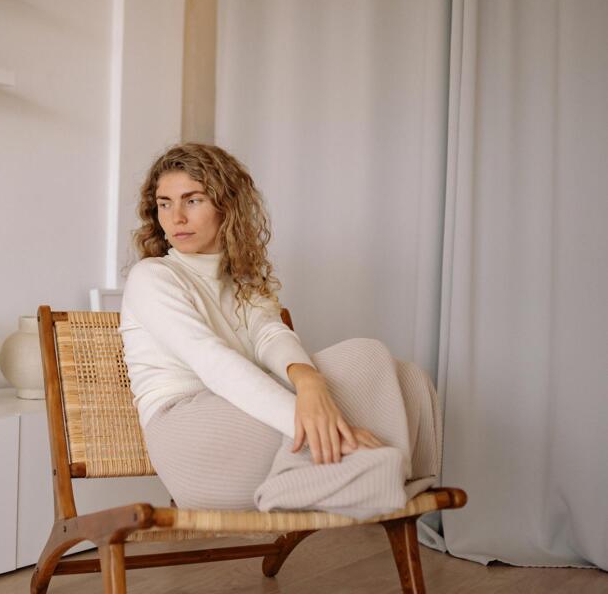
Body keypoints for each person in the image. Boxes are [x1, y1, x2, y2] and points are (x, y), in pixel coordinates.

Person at [119, 143, 441, 518]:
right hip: (191, 439)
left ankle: (379, 475)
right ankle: (338, 474)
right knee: (362, 356)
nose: (176, 217)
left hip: (241, 419)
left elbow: (272, 336)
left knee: (407, 376)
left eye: (193, 200)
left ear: (226, 206)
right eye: (164, 203)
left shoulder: (242, 280)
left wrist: (310, 382)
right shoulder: (153, 277)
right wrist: (324, 425)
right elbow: (215, 365)